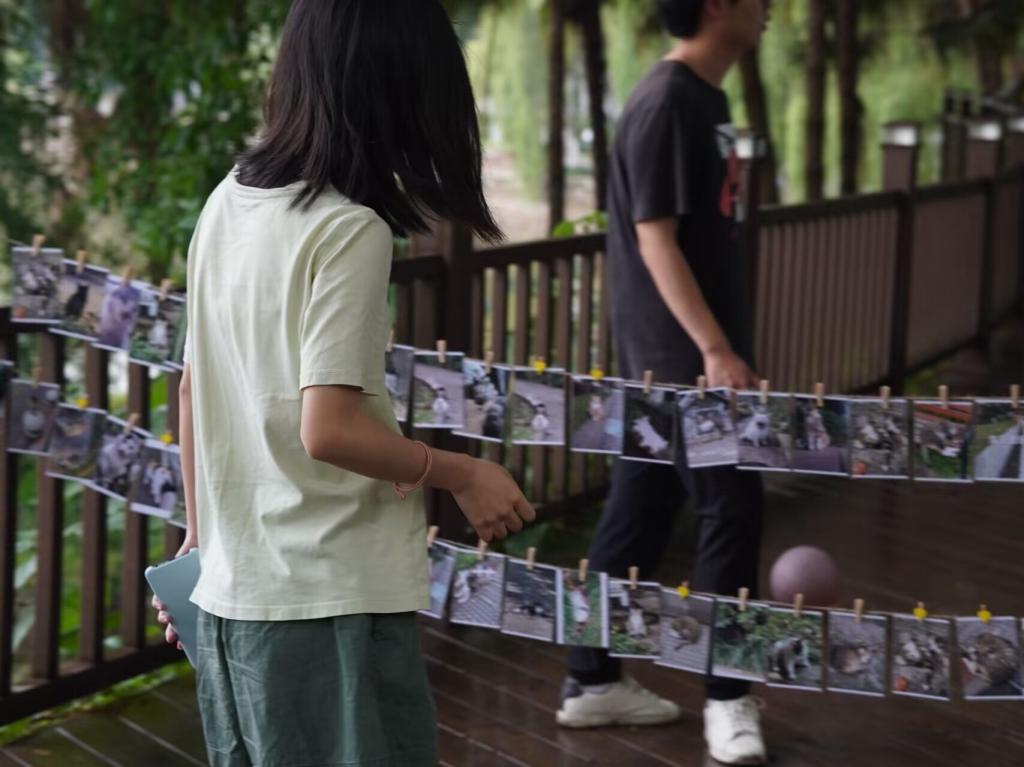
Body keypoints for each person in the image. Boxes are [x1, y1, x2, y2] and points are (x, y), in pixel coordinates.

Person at [151, 2, 536, 765]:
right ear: (399, 90)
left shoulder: (230, 199)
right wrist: (462, 472)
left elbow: (195, 387)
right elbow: (328, 429)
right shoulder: (349, 227)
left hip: (235, 600)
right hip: (327, 600)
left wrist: (202, 544)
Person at [556, 1, 771, 764]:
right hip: (678, 359)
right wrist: (713, 348)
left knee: (641, 508)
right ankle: (728, 699)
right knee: (733, 506)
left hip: (677, 357)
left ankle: (591, 678)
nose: (770, 8)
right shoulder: (666, 103)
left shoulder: (704, 98)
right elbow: (655, 239)